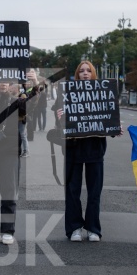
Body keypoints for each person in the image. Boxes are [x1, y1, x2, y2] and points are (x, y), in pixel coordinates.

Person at [0, 71, 40, 245]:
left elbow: (31, 104)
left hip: (9, 152)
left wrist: (35, 82)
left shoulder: (15, 102)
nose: (4, 83)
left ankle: (7, 230)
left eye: (7, 80)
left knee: (9, 190)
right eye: (0, 80)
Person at [54, 61, 110, 242]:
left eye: (88, 71)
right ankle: (74, 228)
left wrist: (115, 128)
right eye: (81, 71)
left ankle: (93, 228)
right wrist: (60, 118)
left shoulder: (103, 93)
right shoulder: (66, 93)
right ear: (77, 75)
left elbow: (109, 117)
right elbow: (59, 125)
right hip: (73, 148)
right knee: (72, 191)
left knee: (94, 192)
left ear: (93, 74)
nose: (85, 73)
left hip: (95, 148)